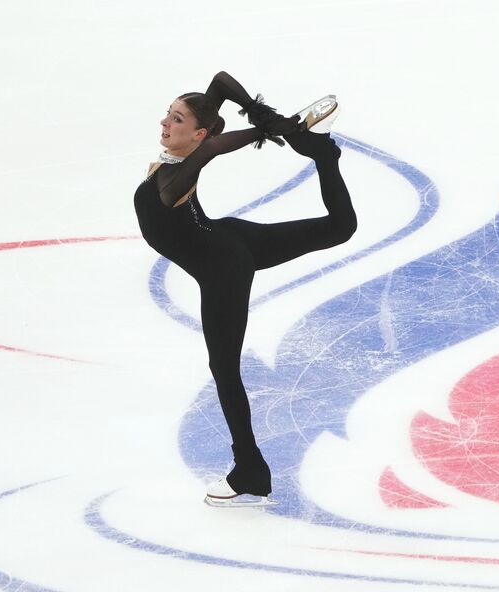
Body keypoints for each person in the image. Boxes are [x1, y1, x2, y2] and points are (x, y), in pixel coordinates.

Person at [132, 71, 355, 508]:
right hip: (229, 237)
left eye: (176, 119)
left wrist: (266, 126)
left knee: (225, 370)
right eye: (168, 113)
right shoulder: (177, 158)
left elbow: (212, 147)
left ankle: (249, 470)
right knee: (340, 226)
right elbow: (219, 82)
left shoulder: (170, 183)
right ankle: (322, 152)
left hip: (224, 268)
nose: (164, 123)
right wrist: (273, 122)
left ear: (196, 133)